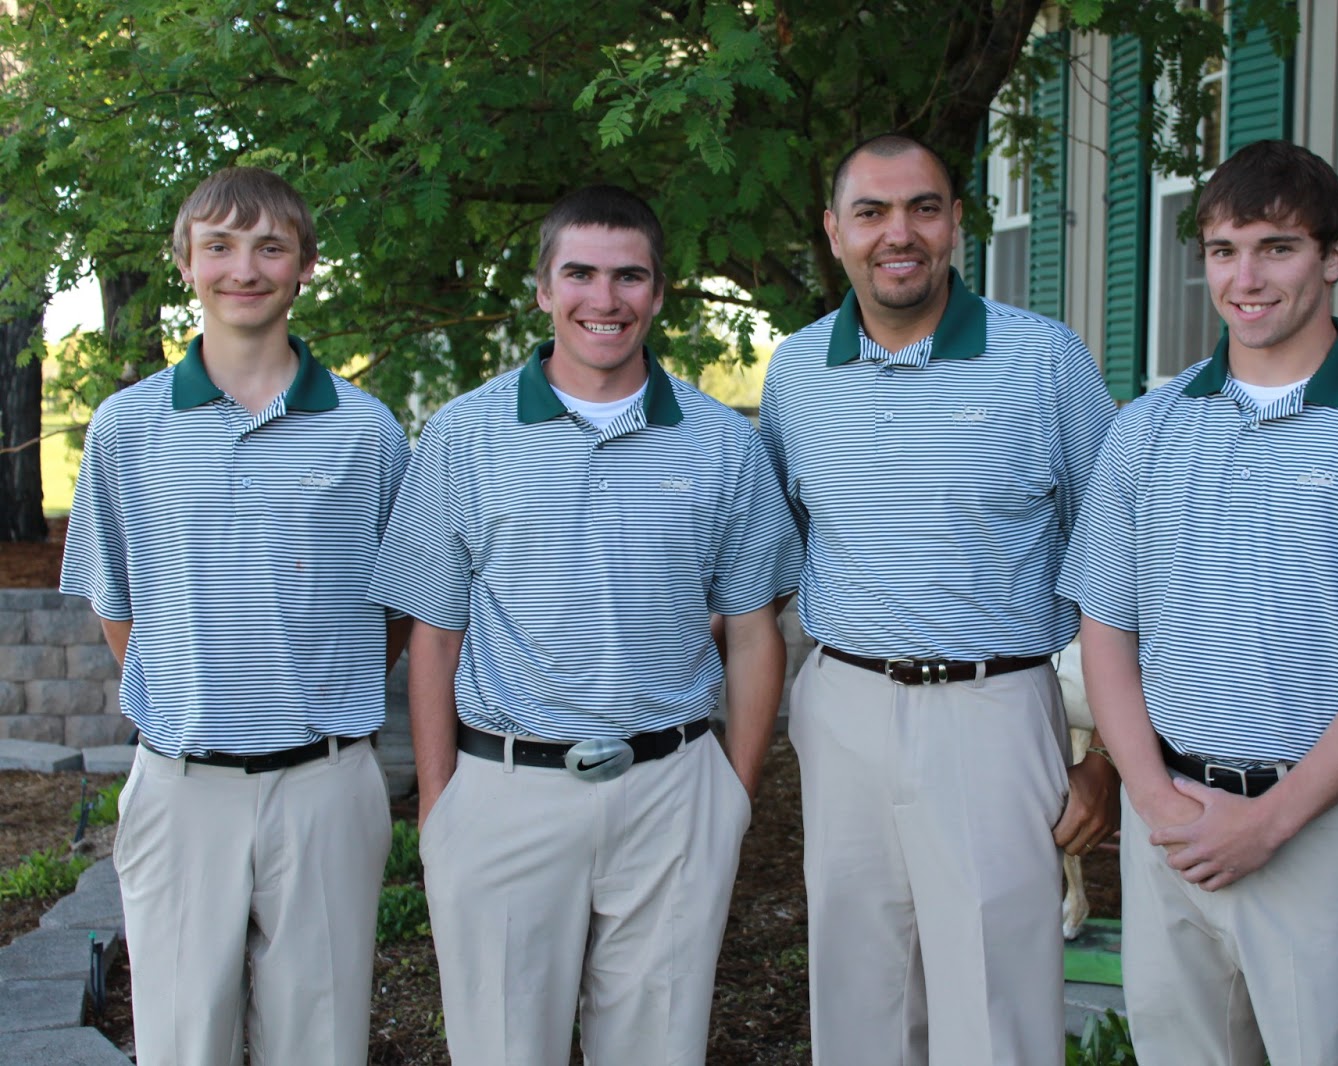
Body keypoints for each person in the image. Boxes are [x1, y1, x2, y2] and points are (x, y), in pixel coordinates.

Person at [1062, 139, 1338, 1066]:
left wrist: (1268, 823)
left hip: (1316, 831)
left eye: (1277, 247)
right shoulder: (1147, 428)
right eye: (1224, 251)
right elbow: (1105, 623)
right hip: (1173, 825)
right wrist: (1154, 798)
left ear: (1334, 256)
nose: (1246, 278)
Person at [367, 184, 801, 1066]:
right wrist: (441, 803)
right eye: (581, 274)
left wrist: (733, 796)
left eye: (629, 276)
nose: (605, 300)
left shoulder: (723, 443)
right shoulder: (462, 436)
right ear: (541, 287)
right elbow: (434, 636)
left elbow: (756, 632)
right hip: (504, 792)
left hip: (674, 794)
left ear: (659, 290)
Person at [757, 132, 1121, 1066]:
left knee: (997, 1007)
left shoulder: (1045, 361)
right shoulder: (797, 373)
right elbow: (780, 550)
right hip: (843, 705)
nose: (899, 233)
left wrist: (1110, 758)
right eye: (871, 212)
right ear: (835, 231)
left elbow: (1124, 568)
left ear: (959, 221)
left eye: (923, 207)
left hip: (994, 709)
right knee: (857, 991)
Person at [58, 166, 411, 1065]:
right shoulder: (126, 427)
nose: (243, 267)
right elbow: (119, 607)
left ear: (305, 267)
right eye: (218, 245)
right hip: (182, 789)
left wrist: (316, 685)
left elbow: (397, 609)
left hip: (325, 786)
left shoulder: (368, 431)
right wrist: (191, 696)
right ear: (185, 263)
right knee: (182, 1042)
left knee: (323, 1043)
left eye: (269, 247)